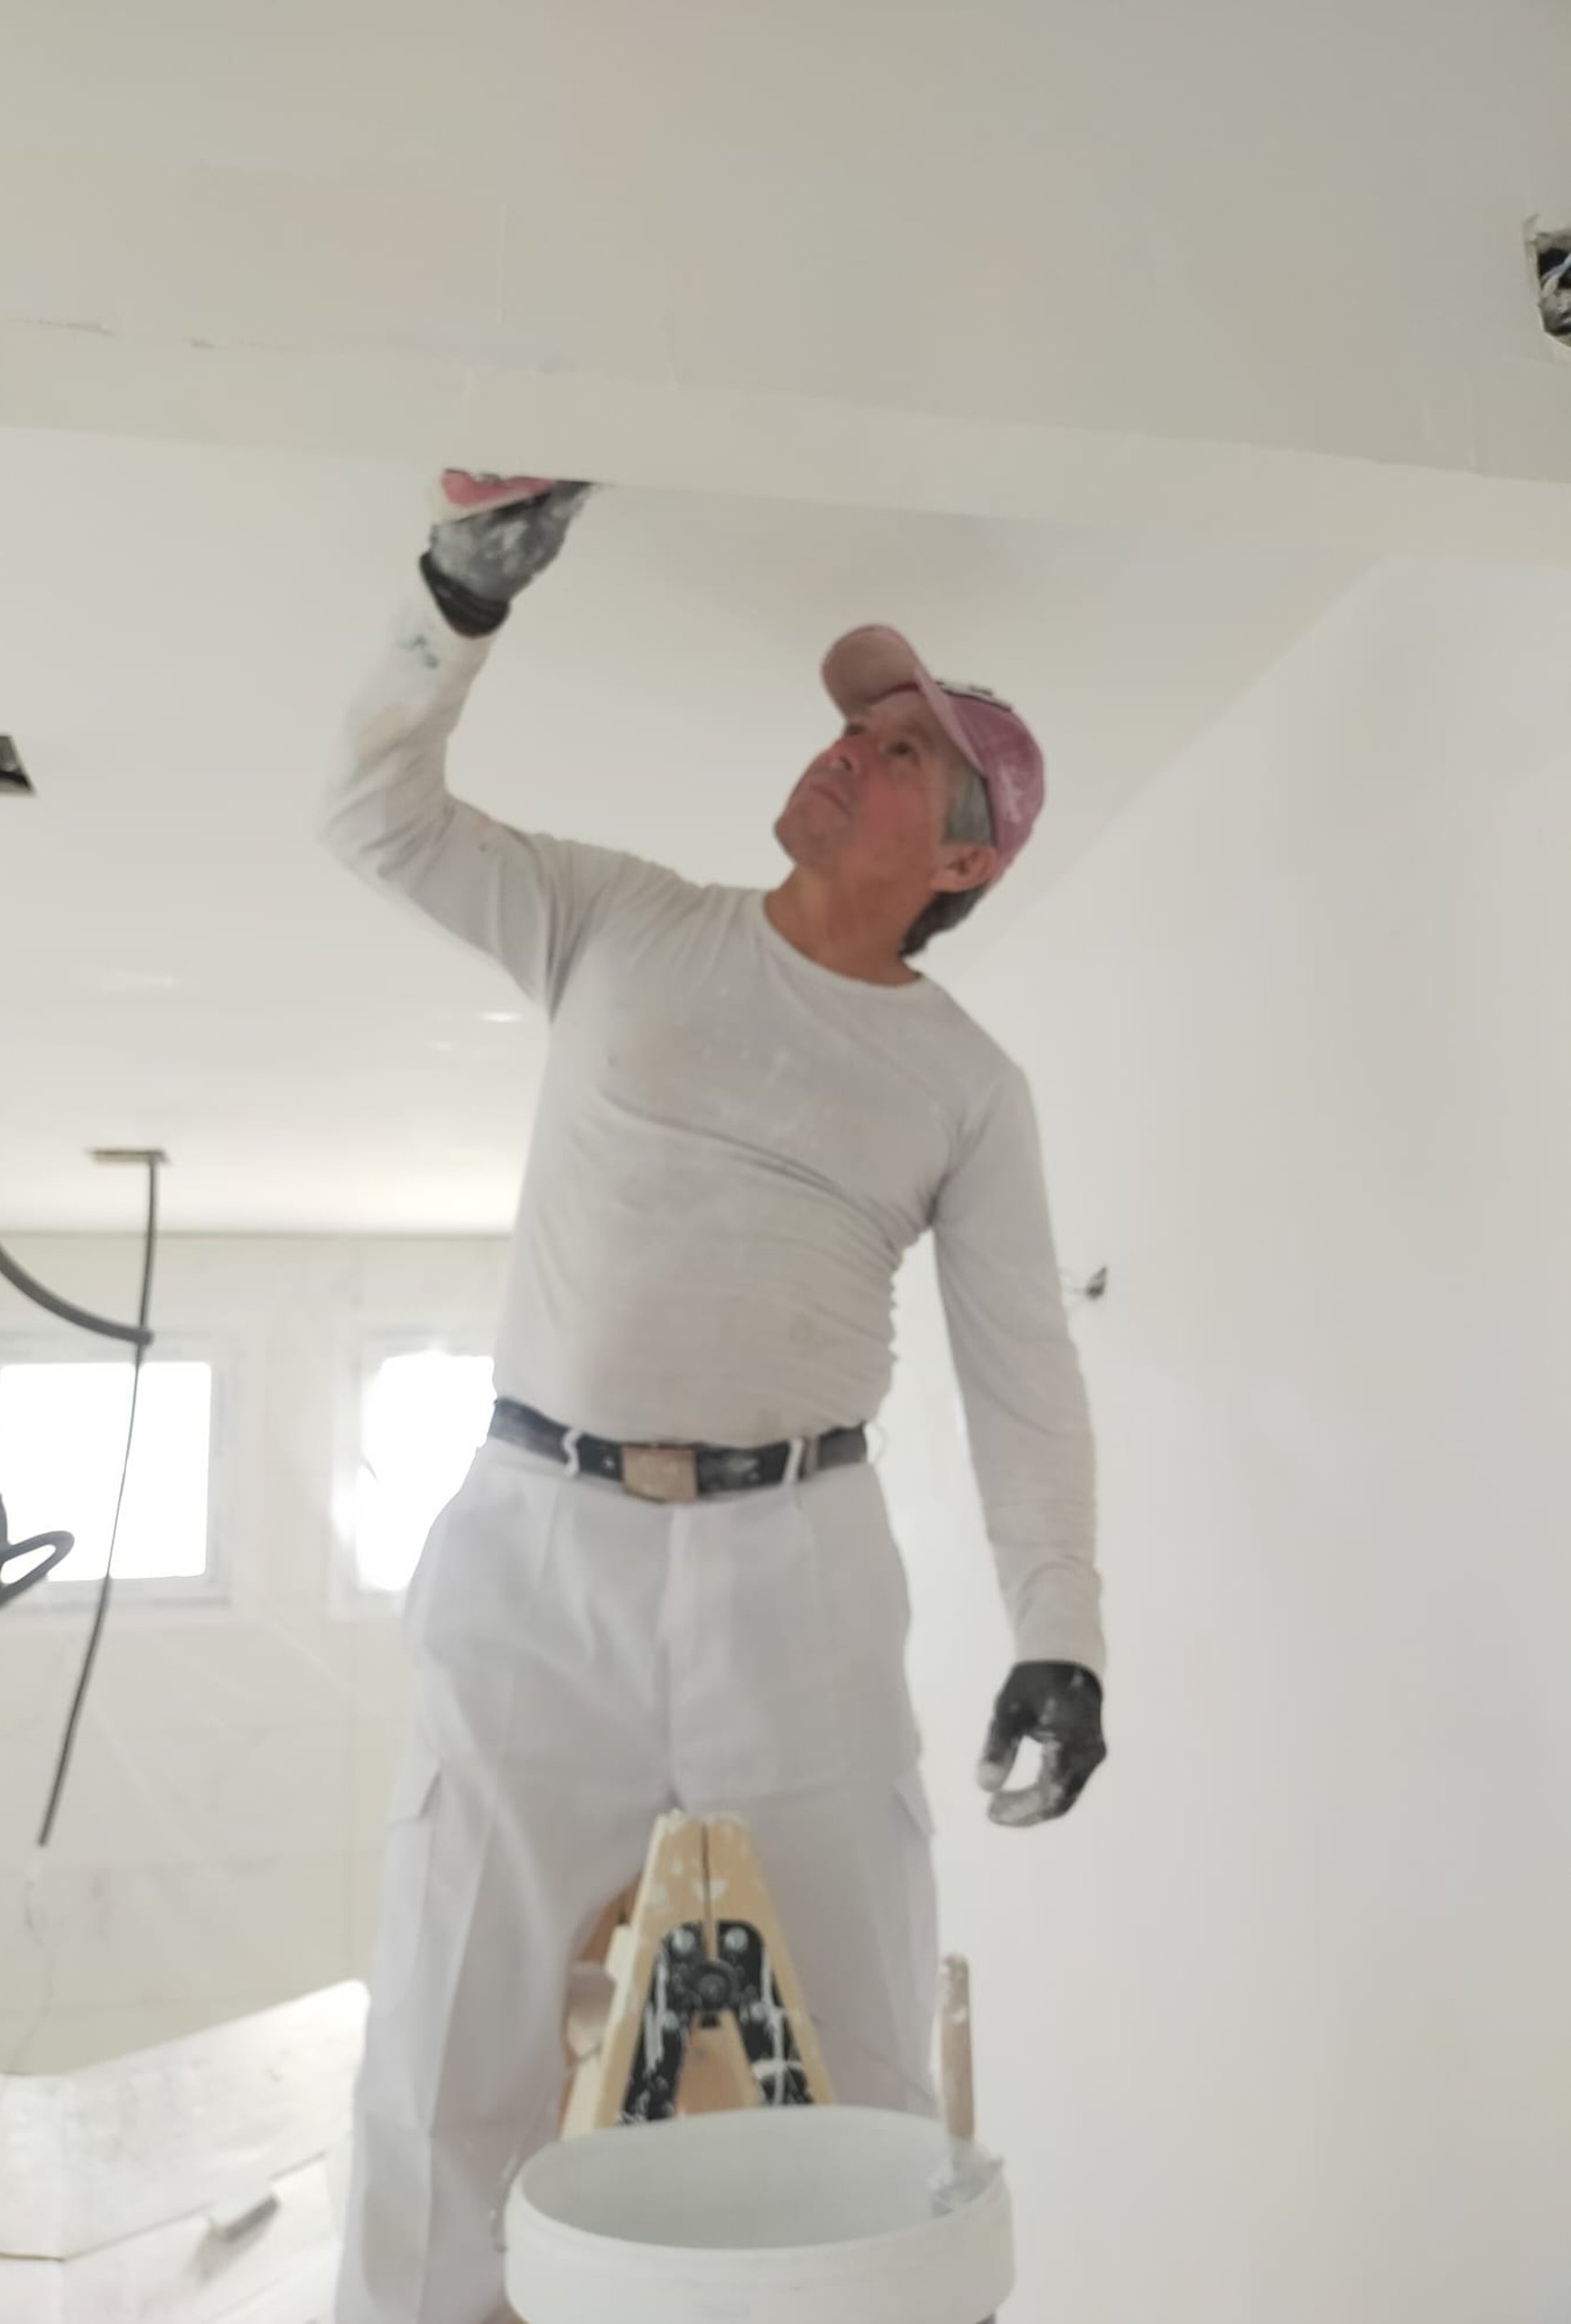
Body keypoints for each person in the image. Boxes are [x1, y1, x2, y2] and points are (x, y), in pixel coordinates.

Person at [325, 475, 1107, 2324]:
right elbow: (374, 817)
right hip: (536, 1548)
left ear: (966, 863)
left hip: (798, 1570)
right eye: (854, 724)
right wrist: (455, 601)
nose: (848, 750)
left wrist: (1061, 1631)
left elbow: (1021, 1366)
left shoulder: (967, 1085)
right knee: (445, 2042)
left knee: (869, 2050)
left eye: (902, 752)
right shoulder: (623, 919)